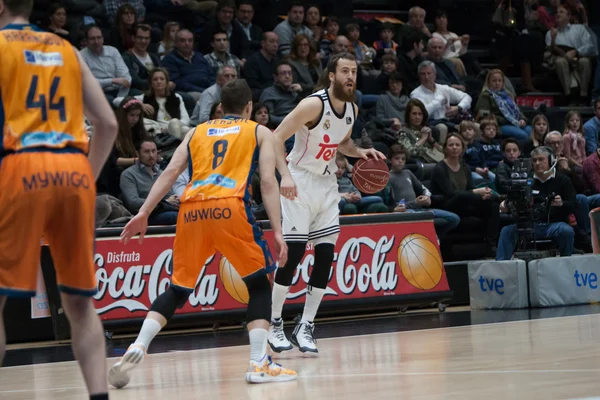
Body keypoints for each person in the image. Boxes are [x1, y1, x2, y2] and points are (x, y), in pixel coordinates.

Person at [108, 79, 297, 387]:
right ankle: (259, 362)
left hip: (192, 209)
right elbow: (266, 182)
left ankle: (138, 344)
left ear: (221, 107)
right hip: (230, 207)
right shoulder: (259, 131)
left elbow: (170, 173)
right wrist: (278, 230)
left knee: (179, 289)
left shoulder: (198, 131)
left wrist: (143, 212)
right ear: (249, 107)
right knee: (260, 285)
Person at [0, 1, 118, 400]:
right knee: (81, 306)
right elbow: (108, 123)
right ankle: (98, 396)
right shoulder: (64, 48)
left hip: (21, 165)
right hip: (73, 170)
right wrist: (86, 175)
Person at [267, 52, 385, 354]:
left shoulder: (352, 109)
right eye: (344, 71)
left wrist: (361, 152)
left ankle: (306, 325)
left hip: (327, 184)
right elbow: (275, 138)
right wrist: (285, 176)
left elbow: (341, 143)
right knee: (292, 254)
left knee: (324, 256)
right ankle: (274, 323)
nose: (350, 77)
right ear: (331, 75)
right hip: (300, 180)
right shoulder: (312, 104)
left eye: (354, 72)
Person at [496, 146, 576, 260]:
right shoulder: (525, 181)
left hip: (553, 224)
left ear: (550, 161)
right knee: (506, 231)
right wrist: (505, 204)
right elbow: (511, 199)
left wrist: (562, 203)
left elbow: (573, 205)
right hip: (529, 225)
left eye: (541, 159)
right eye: (534, 160)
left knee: (566, 231)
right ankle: (501, 268)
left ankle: (565, 263)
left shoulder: (562, 180)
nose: (537, 163)